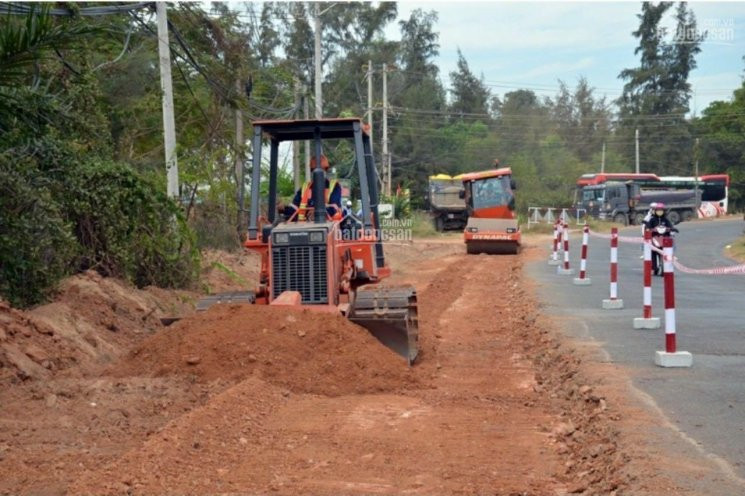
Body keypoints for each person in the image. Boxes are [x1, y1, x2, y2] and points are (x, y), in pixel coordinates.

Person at [283, 155, 343, 221]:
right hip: (305, 227)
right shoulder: (305, 188)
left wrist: (317, 213)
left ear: (325, 170)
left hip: (329, 226)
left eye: (321, 170)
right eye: (314, 170)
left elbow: (334, 209)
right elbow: (294, 208)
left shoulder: (334, 186)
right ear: (311, 171)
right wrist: (284, 208)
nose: (317, 173)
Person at [644, 203, 678, 275]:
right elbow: (648, 226)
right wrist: (648, 229)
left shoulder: (665, 220)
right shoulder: (652, 220)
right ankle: (653, 267)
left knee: (669, 251)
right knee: (652, 252)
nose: (659, 212)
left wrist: (672, 229)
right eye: (658, 211)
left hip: (664, 240)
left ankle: (666, 268)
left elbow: (670, 226)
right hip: (654, 239)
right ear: (655, 211)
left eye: (661, 211)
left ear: (663, 211)